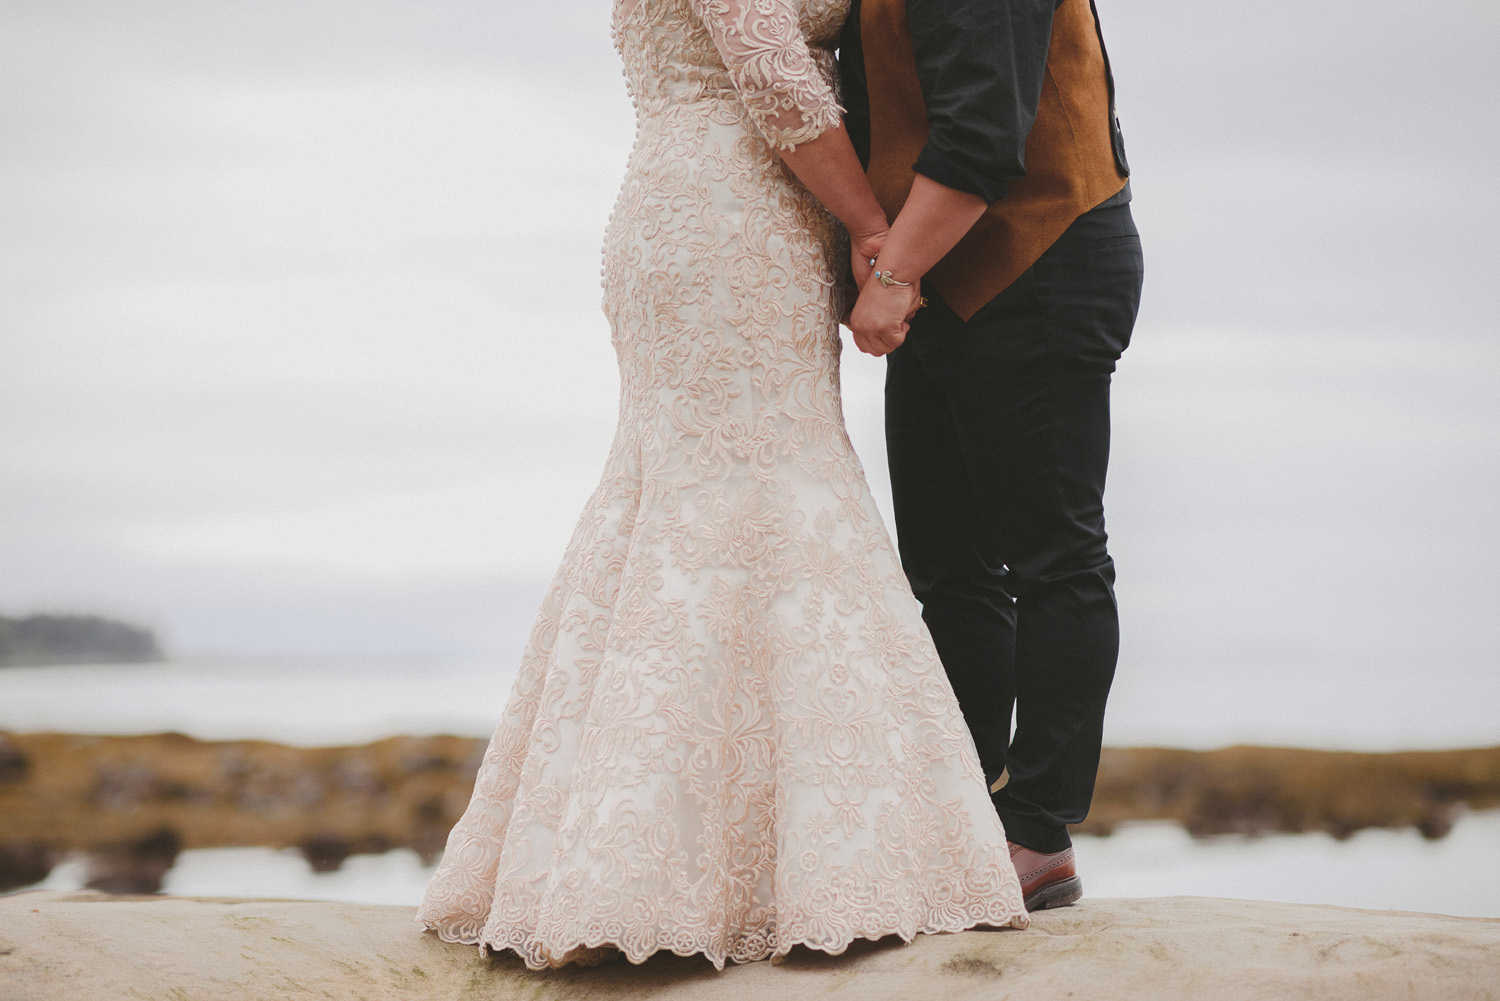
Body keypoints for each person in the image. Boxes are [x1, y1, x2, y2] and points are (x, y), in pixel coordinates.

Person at [415, 0, 1028, 970]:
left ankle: (723, 854)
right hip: (731, 208)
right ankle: (671, 861)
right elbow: (775, 76)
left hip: (726, 202)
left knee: (710, 491)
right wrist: (875, 232)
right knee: (754, 484)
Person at [840, 0, 1144, 910]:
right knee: (949, 569)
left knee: (1055, 556)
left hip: (1039, 257)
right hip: (945, 263)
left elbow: (980, 130)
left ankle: (1039, 832)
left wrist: (892, 274)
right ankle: (965, 817)